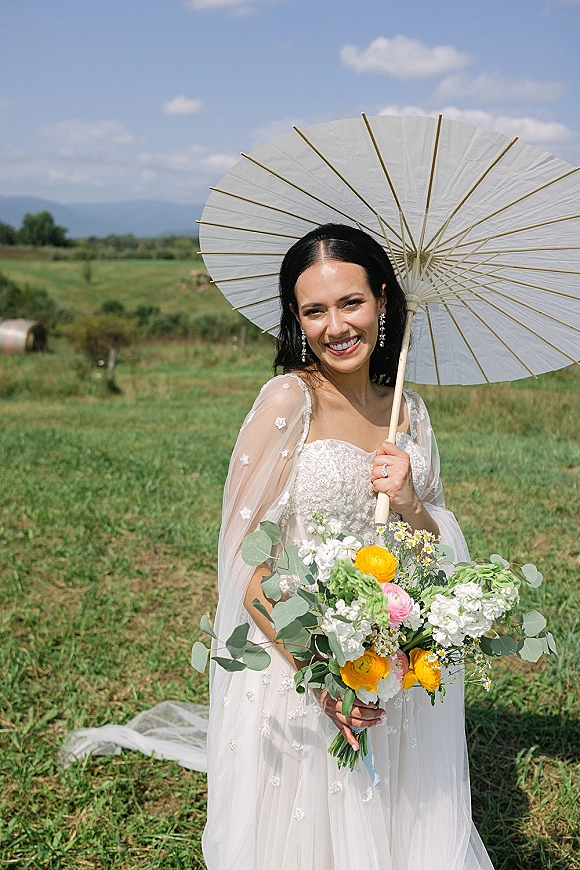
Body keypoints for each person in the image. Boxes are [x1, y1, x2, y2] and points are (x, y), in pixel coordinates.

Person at [202, 224, 494, 870]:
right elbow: (247, 564)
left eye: (351, 303)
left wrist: (414, 501)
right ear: (295, 316)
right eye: (315, 309)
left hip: (389, 662)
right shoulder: (289, 401)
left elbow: (436, 550)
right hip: (300, 665)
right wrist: (323, 676)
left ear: (383, 301)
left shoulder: (408, 412)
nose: (336, 325)